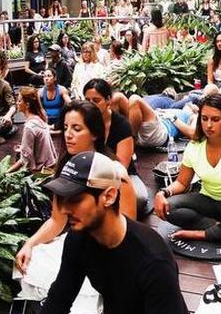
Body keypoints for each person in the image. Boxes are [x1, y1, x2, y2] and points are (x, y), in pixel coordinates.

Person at [22, 151, 193, 314]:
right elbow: (61, 294)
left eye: (75, 199)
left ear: (109, 196)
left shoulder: (152, 258)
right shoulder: (78, 238)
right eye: (61, 200)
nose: (64, 209)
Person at [14, 101, 145, 274]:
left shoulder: (115, 173)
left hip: (110, 252)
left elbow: (128, 230)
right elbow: (56, 220)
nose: (68, 134)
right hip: (79, 243)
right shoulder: (66, 168)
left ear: (95, 134)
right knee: (31, 262)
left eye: (76, 128)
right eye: (66, 127)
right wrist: (30, 243)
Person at [154, 93, 221, 244]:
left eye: (215, 119)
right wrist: (163, 193)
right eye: (204, 119)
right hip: (206, 199)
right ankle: (218, 230)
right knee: (167, 208)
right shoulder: (194, 147)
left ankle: (199, 234)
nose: (209, 125)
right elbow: (181, 183)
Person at [83, 79, 150, 216]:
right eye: (87, 100)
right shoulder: (83, 123)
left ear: (108, 100)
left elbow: (121, 166)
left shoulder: (121, 125)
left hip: (120, 174)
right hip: (89, 173)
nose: (91, 105)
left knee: (139, 199)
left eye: (96, 100)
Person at [11, 87, 58, 173]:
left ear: (27, 104)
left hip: (41, 170)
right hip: (50, 163)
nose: (17, 103)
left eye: (19, 101)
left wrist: (6, 173)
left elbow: (26, 159)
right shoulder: (40, 118)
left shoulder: (30, 127)